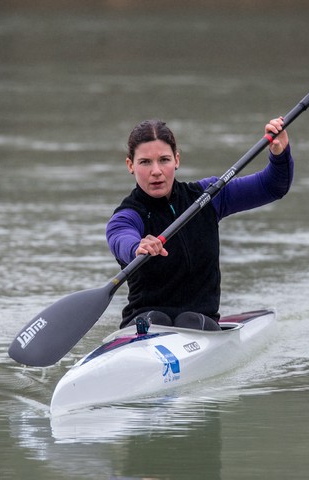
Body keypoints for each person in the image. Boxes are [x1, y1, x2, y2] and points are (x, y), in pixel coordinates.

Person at [106, 117, 293, 331]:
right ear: (131, 165)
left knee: (191, 320)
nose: (156, 170)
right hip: (144, 323)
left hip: (200, 323)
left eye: (164, 160)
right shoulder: (128, 214)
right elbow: (120, 237)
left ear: (176, 160)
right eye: (145, 162)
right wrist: (136, 247)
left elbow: (272, 187)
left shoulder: (207, 196)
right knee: (156, 319)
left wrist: (280, 154)